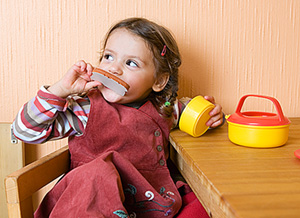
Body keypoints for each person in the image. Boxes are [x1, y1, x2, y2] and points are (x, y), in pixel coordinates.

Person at [13, 17, 223, 218]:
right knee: (94, 173)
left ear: (158, 81)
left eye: (131, 63)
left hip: (148, 205)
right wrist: (59, 91)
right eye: (108, 57)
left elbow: (194, 115)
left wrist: (211, 117)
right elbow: (23, 131)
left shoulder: (165, 109)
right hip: (90, 205)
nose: (113, 68)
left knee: (205, 203)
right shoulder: (85, 110)